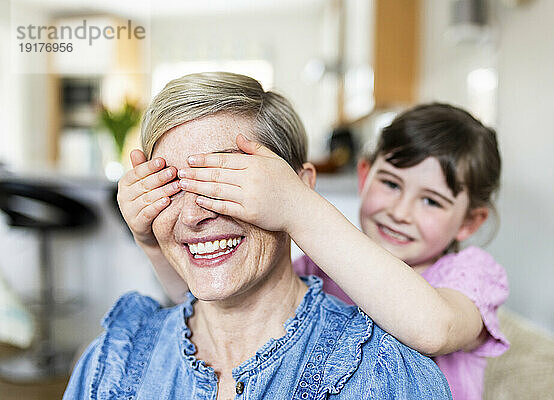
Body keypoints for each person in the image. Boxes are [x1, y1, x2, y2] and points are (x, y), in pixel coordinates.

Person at [63, 72, 451, 399]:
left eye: (227, 182)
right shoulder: (109, 367)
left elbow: (436, 327)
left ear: (300, 188)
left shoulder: (384, 376)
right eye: (173, 185)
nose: (195, 215)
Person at [121, 100, 509, 400]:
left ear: (470, 222)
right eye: (390, 184)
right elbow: (200, 299)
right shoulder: (320, 267)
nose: (400, 212)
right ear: (363, 174)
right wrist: (152, 243)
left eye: (432, 202)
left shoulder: (472, 275)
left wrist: (295, 204)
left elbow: (434, 329)